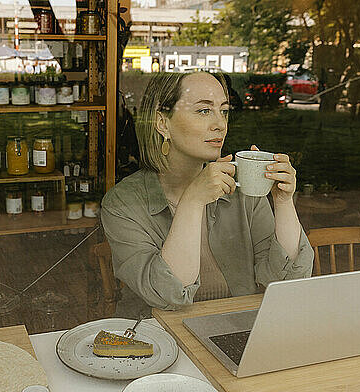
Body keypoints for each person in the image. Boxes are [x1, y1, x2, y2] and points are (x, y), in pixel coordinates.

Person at [101, 72, 314, 313]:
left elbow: (287, 281)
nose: (220, 124)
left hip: (239, 329)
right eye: (204, 111)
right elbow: (169, 295)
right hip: (161, 341)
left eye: (223, 111)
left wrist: (283, 201)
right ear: (162, 123)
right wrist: (192, 201)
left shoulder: (241, 190)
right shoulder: (122, 203)